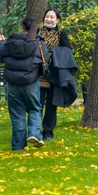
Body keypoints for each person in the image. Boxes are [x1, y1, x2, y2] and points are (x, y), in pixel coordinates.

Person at [0, 16, 44, 151]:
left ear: (22, 28)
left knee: (17, 114)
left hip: (13, 84)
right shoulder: (38, 43)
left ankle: (18, 147)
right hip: (31, 82)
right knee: (35, 109)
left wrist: (1, 43)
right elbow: (45, 59)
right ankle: (34, 133)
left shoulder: (10, 43)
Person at [37, 8, 72, 141]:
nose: (49, 19)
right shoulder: (37, 32)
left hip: (55, 74)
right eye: (47, 17)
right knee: (37, 105)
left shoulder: (61, 33)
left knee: (52, 106)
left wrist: (53, 53)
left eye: (52, 17)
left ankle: (48, 132)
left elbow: (68, 50)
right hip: (39, 74)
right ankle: (36, 131)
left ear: (57, 19)